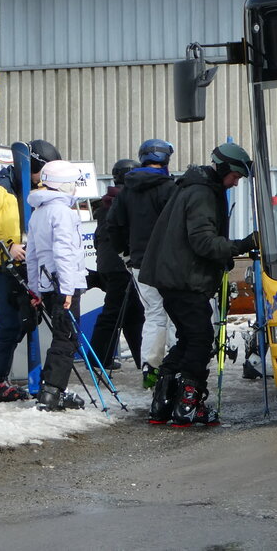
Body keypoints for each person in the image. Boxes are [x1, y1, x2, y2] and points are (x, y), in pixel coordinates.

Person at [140, 142, 258, 426]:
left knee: (189, 339)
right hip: (184, 279)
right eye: (235, 177)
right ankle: (188, 403)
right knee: (201, 340)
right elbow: (202, 240)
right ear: (224, 169)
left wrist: (222, 259)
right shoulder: (203, 193)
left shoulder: (197, 187)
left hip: (176, 277)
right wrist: (238, 246)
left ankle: (163, 401)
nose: (235, 183)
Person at [0, 138, 60, 403]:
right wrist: (8, 244)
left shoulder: (32, 189)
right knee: (10, 324)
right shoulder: (1, 187)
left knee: (24, 322)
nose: (41, 178)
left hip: (24, 265)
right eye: (39, 173)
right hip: (2, 265)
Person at [103, 139, 178, 388]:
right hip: (169, 262)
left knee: (154, 314)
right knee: (176, 313)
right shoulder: (171, 189)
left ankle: (150, 370)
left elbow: (112, 227)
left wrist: (125, 253)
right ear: (165, 159)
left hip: (140, 262)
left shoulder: (126, 192)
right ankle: (178, 366)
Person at [26, 159, 87, 412]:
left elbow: (32, 254)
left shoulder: (39, 210)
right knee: (67, 338)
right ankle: (52, 393)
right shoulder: (62, 211)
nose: (74, 188)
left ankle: (49, 389)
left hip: (47, 282)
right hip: (63, 283)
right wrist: (68, 288)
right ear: (62, 185)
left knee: (62, 336)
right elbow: (64, 251)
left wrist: (35, 289)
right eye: (72, 183)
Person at [89, 158, 143, 372]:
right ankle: (98, 359)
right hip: (121, 264)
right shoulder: (127, 200)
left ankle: (142, 359)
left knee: (133, 313)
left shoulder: (106, 202)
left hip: (108, 264)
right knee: (113, 312)